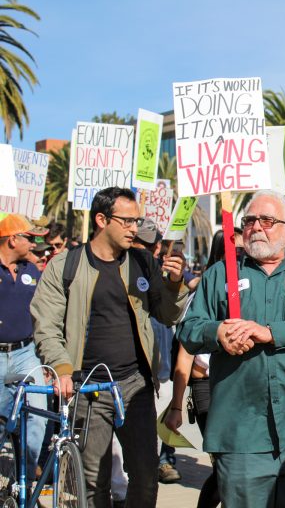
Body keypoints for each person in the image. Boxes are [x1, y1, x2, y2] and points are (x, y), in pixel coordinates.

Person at [176, 189, 285, 507]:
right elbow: (189, 329)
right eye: (249, 220)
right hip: (240, 429)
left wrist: (269, 332)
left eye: (266, 219)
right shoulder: (220, 274)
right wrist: (217, 332)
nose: (255, 227)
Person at [31, 187, 189, 508]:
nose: (135, 228)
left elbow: (167, 314)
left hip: (136, 386)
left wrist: (175, 284)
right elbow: (46, 324)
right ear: (102, 220)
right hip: (88, 389)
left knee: (145, 477)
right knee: (94, 482)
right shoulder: (66, 266)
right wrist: (61, 368)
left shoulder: (143, 262)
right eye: (128, 221)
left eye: (137, 220)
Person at [165, 230, 227, 508]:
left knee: (234, 466)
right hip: (207, 390)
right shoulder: (203, 293)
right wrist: (177, 406)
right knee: (225, 466)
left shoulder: (252, 291)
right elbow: (186, 354)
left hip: (239, 388)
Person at [132, 219, 182, 484]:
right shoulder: (121, 269)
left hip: (161, 363)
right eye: (137, 243)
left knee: (164, 417)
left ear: (158, 247)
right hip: (134, 365)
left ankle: (165, 460)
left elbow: (175, 312)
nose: (142, 250)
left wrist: (175, 281)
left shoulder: (165, 275)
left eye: (147, 245)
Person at [0, 214, 49, 480]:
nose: (34, 243)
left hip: (27, 353)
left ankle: (27, 475)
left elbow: (45, 314)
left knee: (39, 414)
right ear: (12, 239)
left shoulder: (32, 271)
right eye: (29, 238)